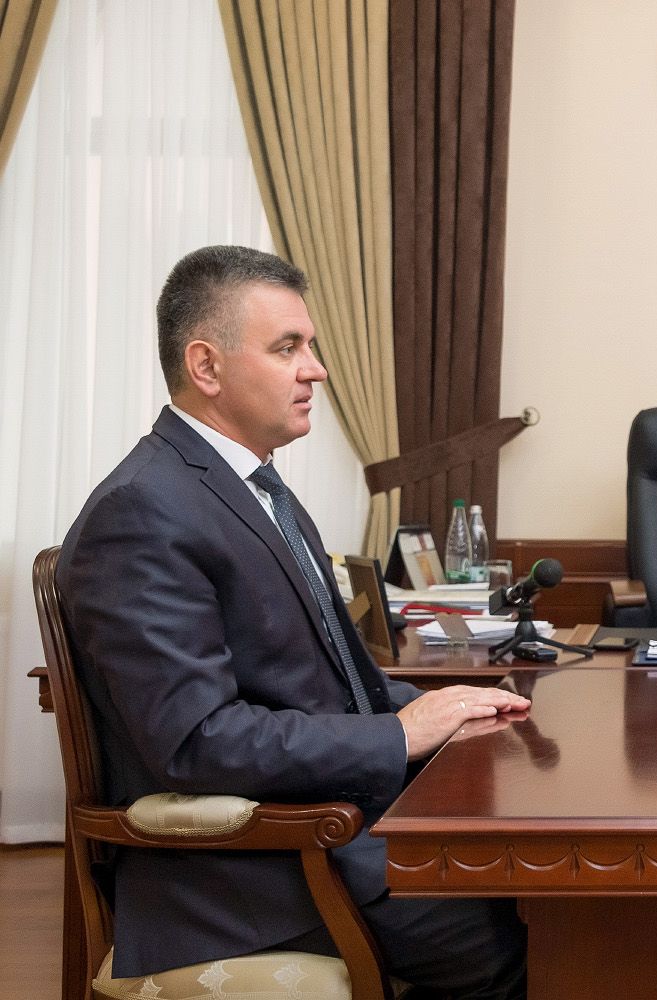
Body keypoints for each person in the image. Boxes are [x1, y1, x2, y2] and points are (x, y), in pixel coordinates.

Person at [58, 245, 529, 997]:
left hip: (330, 829)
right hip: (254, 874)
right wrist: (399, 735)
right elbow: (195, 740)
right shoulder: (142, 511)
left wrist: (453, 714)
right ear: (206, 367)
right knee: (534, 932)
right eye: (288, 348)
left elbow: (334, 685)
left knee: (543, 894)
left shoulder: (257, 488)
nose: (318, 370)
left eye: (310, 346)